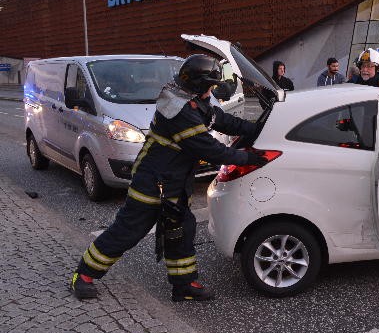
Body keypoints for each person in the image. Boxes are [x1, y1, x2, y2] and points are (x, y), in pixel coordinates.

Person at [71, 54, 267, 302]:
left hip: (172, 183)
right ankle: (84, 275)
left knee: (181, 229)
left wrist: (259, 128)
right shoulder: (181, 111)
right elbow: (211, 150)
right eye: (209, 86)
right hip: (152, 183)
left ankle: (183, 285)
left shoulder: (192, 100)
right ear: (198, 85)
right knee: (128, 231)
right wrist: (250, 158)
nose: (211, 91)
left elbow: (222, 120)